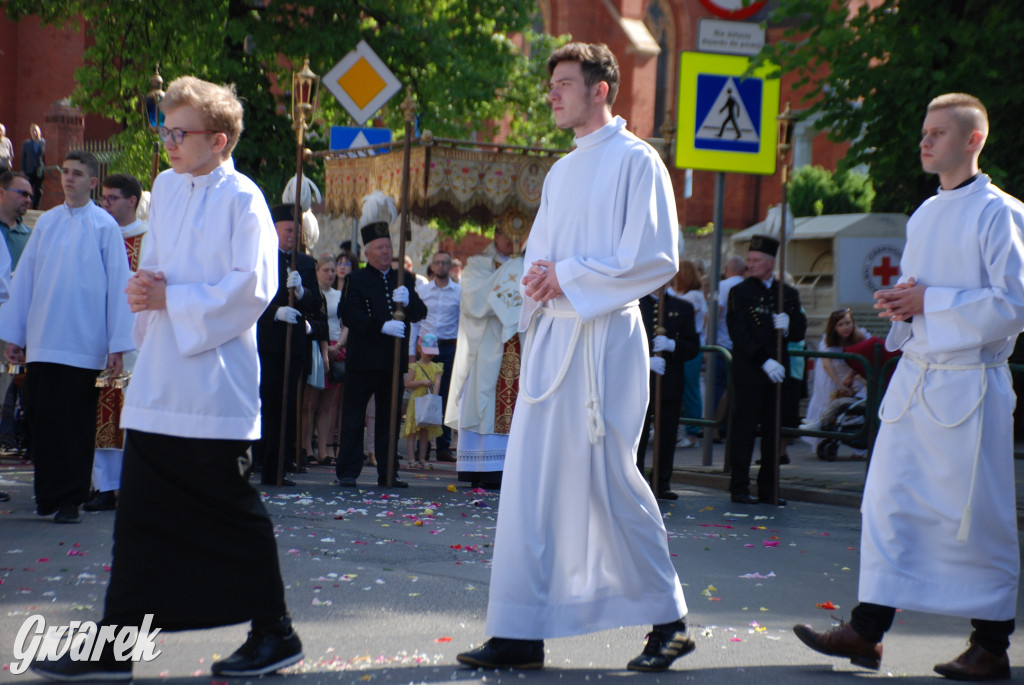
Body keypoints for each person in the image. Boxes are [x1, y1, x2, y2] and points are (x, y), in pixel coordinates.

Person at [32, 76, 303, 681]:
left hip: (214, 382)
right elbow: (155, 268)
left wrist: (170, 297)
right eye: (166, 130)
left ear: (221, 140)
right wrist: (142, 289)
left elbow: (253, 288)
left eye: (180, 133)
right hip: (161, 381)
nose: (169, 142)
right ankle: (117, 641)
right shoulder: (165, 187)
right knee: (141, 516)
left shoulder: (244, 199)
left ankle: (274, 631)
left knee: (231, 508)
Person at [457, 42, 693, 673]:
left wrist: (569, 277)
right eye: (553, 83)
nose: (553, 94)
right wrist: (538, 286)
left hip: (603, 343)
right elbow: (542, 260)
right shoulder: (563, 171)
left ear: (601, 89)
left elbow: (655, 257)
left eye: (564, 82)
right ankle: (518, 630)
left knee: (609, 479)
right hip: (552, 341)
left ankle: (669, 621)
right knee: (529, 486)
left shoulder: (636, 162)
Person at [794, 93, 1024, 682]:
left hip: (969, 388)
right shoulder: (923, 214)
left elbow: (1013, 307)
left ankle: (992, 644)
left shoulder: (1003, 213)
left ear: (973, 140)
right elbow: (921, 296)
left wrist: (930, 302)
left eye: (938, 133)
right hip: (917, 381)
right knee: (888, 504)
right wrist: (901, 308)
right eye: (923, 131)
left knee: (976, 514)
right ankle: (865, 631)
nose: (924, 141)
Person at [0, 150, 132, 525]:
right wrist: (15, 333)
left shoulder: (105, 226)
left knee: (75, 425)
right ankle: (49, 495)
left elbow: (117, 287)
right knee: (41, 420)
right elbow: (25, 279)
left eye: (77, 173)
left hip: (85, 344)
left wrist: (116, 346)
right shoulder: (47, 224)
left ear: (92, 181)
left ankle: (71, 499)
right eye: (65, 172)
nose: (68, 178)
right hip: (43, 339)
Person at [335, 196, 427, 489]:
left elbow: (420, 313)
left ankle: (389, 472)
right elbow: (348, 313)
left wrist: (408, 299)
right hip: (362, 360)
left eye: (389, 247)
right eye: (380, 248)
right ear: (368, 252)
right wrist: (380, 325)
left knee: (389, 420)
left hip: (391, 361)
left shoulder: (405, 278)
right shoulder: (358, 279)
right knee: (353, 418)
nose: (386, 252)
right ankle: (348, 471)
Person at [725, 234, 806, 506]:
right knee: (744, 432)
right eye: (748, 260)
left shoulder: (788, 293)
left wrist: (790, 324)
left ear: (771, 263)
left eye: (756, 260)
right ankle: (739, 487)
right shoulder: (741, 292)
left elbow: (799, 331)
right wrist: (764, 360)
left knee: (773, 432)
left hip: (778, 375)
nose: (750, 264)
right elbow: (739, 332)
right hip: (750, 372)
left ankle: (769, 489)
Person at [85, 173, 148, 512]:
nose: (104, 204)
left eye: (111, 198)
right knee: (102, 417)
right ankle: (104, 486)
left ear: (132, 201)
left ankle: (136, 485)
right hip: (98, 339)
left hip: (138, 344)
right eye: (103, 198)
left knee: (133, 415)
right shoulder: (94, 234)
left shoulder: (150, 238)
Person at [446, 231, 522, 489]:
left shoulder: (530, 262)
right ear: (497, 233)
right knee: (485, 403)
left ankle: (515, 465)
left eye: (521, 233)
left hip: (521, 344)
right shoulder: (479, 264)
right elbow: (473, 300)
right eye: (510, 232)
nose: (514, 239)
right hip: (488, 343)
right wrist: (514, 271)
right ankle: (482, 467)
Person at [254, 204, 322, 486]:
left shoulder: (304, 262)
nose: (294, 235)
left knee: (286, 406)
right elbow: (250, 297)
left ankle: (278, 467)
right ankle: (257, 460)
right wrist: (274, 313)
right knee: (265, 403)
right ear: (276, 229)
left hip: (293, 344)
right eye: (289, 230)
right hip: (267, 341)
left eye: (297, 230)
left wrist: (303, 292)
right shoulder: (261, 257)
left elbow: (316, 303)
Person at [636, 283, 700, 499]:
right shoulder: (634, 303)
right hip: (639, 380)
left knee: (667, 434)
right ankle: (635, 481)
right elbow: (621, 343)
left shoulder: (682, 307)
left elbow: (692, 346)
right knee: (638, 434)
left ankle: (662, 482)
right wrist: (645, 361)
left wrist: (674, 345)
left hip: (670, 380)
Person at [800, 307, 868, 451]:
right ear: (834, 327)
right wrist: (839, 384)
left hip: (851, 369)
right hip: (831, 373)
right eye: (841, 324)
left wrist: (850, 376)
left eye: (848, 323)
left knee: (854, 405)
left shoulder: (859, 335)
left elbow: (863, 356)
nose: (846, 327)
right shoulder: (828, 340)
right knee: (828, 400)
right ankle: (824, 439)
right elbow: (827, 364)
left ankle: (858, 447)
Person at [416, 250, 461, 461]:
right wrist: (412, 351)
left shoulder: (459, 292)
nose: (441, 266)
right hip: (425, 348)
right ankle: (420, 445)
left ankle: (443, 446)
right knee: (423, 395)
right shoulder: (423, 291)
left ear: (450, 266)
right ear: (432, 266)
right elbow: (415, 320)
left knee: (446, 395)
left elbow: (463, 322)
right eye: (437, 263)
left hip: (449, 346)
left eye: (445, 262)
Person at [302, 252, 339, 465]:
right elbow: (319, 321)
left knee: (327, 404)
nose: (330, 274)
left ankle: (324, 450)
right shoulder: (312, 293)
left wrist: (339, 345)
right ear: (317, 272)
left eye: (333, 270)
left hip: (333, 347)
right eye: (326, 270)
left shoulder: (337, 295)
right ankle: (306, 446)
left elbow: (340, 322)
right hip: (315, 346)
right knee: (309, 403)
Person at [671, 259, 706, 447]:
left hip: (689, 347)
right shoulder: (688, 295)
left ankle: (693, 433)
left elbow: (680, 316)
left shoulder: (693, 296)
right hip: (679, 346)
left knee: (690, 389)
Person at [712, 255, 745, 439]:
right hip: (740, 346)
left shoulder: (722, 286)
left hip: (723, 344)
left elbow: (716, 313)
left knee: (719, 386)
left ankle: (717, 428)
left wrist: (710, 340)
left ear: (727, 269)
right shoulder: (747, 285)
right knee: (735, 387)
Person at [402, 333, 443, 469]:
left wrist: (434, 400)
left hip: (428, 402)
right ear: (419, 349)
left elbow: (437, 385)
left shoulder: (436, 368)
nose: (430, 355)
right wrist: (421, 382)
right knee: (412, 431)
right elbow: (407, 384)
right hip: (416, 401)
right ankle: (411, 460)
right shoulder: (414, 367)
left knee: (425, 432)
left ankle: (422, 459)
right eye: (427, 352)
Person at [0, 170, 33, 268]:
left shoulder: (31, 237)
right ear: (1, 192)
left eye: (30, 196)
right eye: (23, 194)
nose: (28, 200)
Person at [20, 124, 45, 209]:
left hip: (39, 170)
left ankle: (36, 208)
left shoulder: (43, 143)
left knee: (38, 190)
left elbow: (45, 156)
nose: (34, 132)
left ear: (39, 132)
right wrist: (22, 170)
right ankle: (26, 206)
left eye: (36, 130)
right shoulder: (26, 143)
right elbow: (23, 157)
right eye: (32, 131)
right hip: (29, 170)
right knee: (28, 188)